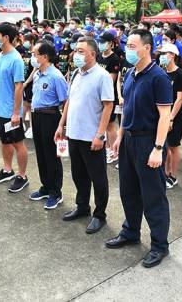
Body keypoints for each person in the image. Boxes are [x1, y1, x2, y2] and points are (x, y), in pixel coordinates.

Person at [106, 29, 173, 269]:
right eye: (127, 46)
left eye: (133, 46)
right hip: (129, 140)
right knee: (129, 190)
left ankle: (159, 245)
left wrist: (158, 148)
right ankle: (131, 231)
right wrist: (120, 136)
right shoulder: (131, 73)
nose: (128, 50)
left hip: (148, 141)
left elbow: (165, 116)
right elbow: (126, 108)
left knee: (153, 196)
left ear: (147, 48)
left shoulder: (158, 77)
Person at [56, 36, 113, 233]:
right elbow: (70, 101)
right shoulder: (76, 73)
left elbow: (108, 106)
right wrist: (61, 125)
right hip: (74, 133)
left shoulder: (102, 76)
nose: (76, 54)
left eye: (81, 51)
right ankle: (82, 206)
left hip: (91, 137)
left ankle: (100, 215)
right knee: (78, 174)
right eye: (75, 50)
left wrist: (100, 135)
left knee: (98, 177)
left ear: (92, 54)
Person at [0, 23, 30, 193]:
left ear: (5, 37)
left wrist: (16, 112)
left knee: (17, 143)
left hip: (10, 111)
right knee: (4, 140)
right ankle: (7, 170)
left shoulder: (16, 59)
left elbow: (19, 87)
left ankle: (22, 176)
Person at [28, 40, 68, 210]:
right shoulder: (38, 73)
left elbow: (65, 102)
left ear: (44, 57)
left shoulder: (56, 76)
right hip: (37, 116)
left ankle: (55, 192)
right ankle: (45, 186)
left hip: (51, 118)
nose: (32, 57)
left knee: (52, 155)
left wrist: (62, 126)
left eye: (35, 54)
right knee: (41, 153)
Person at [159, 43, 182, 189]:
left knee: (173, 146)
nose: (162, 56)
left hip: (174, 116)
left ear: (172, 55)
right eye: (161, 54)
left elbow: (180, 99)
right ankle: (165, 173)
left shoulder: (180, 74)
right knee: (164, 146)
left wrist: (170, 118)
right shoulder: (161, 72)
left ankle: (173, 176)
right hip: (162, 114)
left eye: (165, 54)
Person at [96, 31, 121, 164]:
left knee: (110, 125)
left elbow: (111, 80)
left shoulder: (114, 58)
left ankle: (114, 151)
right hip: (98, 95)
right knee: (104, 124)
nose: (100, 44)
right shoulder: (99, 56)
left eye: (103, 42)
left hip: (108, 96)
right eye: (99, 42)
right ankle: (107, 148)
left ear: (111, 43)